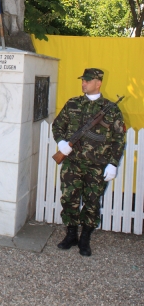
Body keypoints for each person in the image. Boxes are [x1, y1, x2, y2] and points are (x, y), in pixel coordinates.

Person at [52, 68, 125, 256]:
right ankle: (71, 235)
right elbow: (58, 125)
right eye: (83, 80)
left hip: (97, 165)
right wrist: (61, 143)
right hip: (73, 163)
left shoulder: (111, 109)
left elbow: (118, 139)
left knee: (92, 203)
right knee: (69, 199)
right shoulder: (73, 104)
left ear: (98, 83)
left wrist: (113, 163)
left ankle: (85, 238)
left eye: (87, 80)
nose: (83, 83)